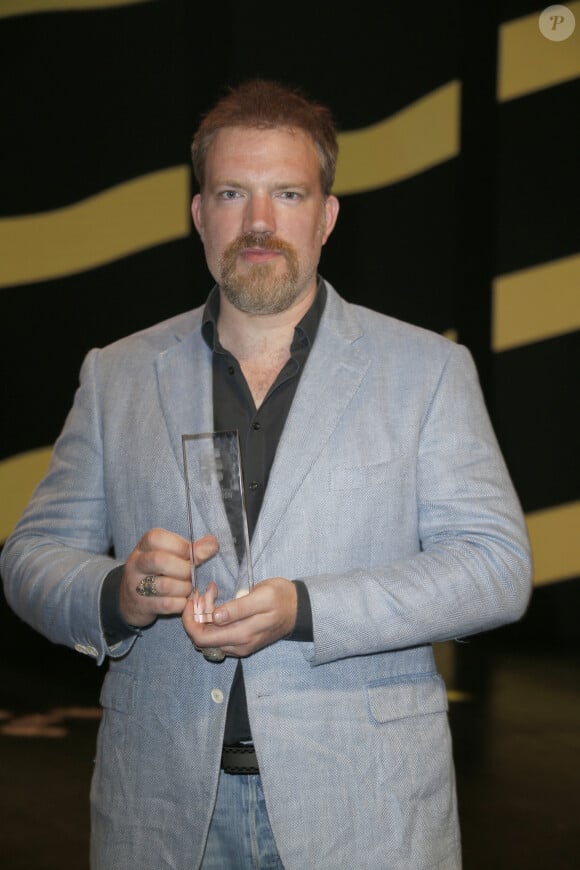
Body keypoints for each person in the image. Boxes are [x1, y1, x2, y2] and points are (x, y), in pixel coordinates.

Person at [0, 78, 532, 869]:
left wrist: (306, 608)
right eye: (230, 193)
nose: (258, 223)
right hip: (161, 814)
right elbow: (30, 558)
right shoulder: (117, 374)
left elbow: (495, 570)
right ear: (197, 215)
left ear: (326, 216)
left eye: (287, 193)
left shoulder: (426, 370)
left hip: (366, 813)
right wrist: (119, 592)